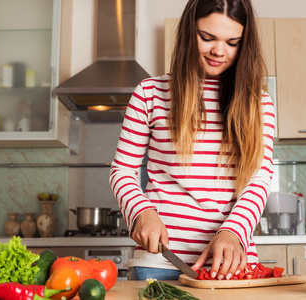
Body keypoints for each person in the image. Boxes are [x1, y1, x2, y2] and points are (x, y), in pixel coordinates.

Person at [109, 0, 275, 281]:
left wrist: (233, 232)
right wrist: (141, 212)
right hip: (159, 262)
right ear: (189, 32)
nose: (218, 51)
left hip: (229, 265)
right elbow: (122, 170)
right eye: (207, 37)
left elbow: (259, 179)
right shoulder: (150, 93)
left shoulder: (259, 104)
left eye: (232, 42)